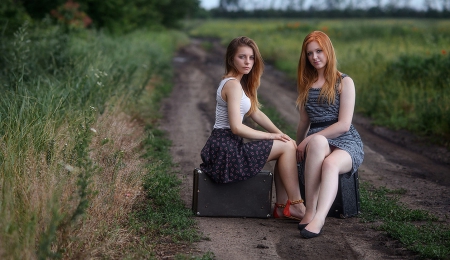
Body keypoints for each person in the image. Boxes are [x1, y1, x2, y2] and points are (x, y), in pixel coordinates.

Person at [199, 36, 305, 220]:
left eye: (251, 57)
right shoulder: (232, 85)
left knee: (286, 144)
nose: (248, 62)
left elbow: (255, 113)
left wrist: (280, 134)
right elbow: (236, 128)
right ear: (232, 58)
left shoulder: (238, 83)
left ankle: (282, 207)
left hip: (227, 147)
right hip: (226, 151)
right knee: (286, 147)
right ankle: (295, 205)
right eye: (242, 57)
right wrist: (270, 136)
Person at [295, 31, 364, 238]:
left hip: (346, 141)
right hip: (319, 140)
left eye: (319, 51)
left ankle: (319, 218)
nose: (314, 57)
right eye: (309, 53)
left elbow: (344, 124)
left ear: (328, 51)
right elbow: (304, 122)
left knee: (330, 164)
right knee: (316, 143)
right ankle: (309, 211)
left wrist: (308, 139)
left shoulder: (344, 81)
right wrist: (298, 146)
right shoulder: (307, 85)